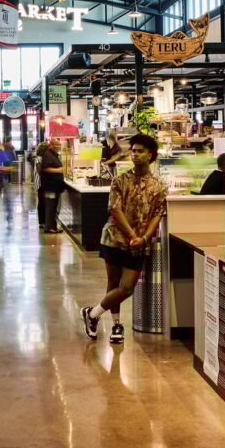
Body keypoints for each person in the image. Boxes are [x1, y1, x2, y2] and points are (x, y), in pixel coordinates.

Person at [80, 134, 166, 345]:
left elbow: (157, 213)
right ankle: (117, 324)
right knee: (113, 282)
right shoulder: (120, 180)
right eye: (133, 151)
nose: (135, 155)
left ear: (151, 155)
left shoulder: (159, 186)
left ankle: (91, 314)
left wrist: (144, 237)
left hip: (139, 244)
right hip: (114, 238)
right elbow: (115, 209)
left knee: (126, 287)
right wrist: (133, 235)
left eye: (140, 151)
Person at [40, 138, 66, 234]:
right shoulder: (48, 155)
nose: (58, 147)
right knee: (50, 207)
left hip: (54, 186)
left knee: (53, 207)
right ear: (51, 145)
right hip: (49, 186)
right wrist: (59, 170)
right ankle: (49, 227)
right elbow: (46, 169)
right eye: (56, 145)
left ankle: (53, 227)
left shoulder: (53, 154)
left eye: (59, 145)